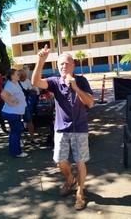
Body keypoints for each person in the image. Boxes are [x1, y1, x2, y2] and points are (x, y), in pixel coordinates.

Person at [31, 45, 94, 211]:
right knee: (59, 160)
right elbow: (35, 82)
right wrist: (40, 61)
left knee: (80, 161)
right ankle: (70, 180)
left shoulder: (81, 81)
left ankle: (80, 192)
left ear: (73, 66)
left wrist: (75, 87)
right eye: (60, 65)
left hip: (79, 128)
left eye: (67, 63)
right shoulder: (54, 82)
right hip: (61, 129)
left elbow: (90, 102)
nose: (63, 66)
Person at [1, 69, 28, 158]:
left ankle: (15, 150)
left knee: (15, 132)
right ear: (12, 76)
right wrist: (12, 103)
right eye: (17, 74)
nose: (19, 75)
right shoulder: (10, 85)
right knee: (15, 132)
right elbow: (3, 95)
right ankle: (16, 152)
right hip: (12, 113)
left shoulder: (15, 84)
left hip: (14, 112)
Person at [18, 68, 40, 146]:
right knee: (18, 123)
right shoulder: (15, 83)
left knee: (29, 121)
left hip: (24, 104)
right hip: (17, 105)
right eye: (22, 77)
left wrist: (31, 91)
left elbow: (31, 90)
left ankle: (32, 138)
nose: (24, 78)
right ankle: (20, 140)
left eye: (25, 77)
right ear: (19, 76)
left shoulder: (27, 81)